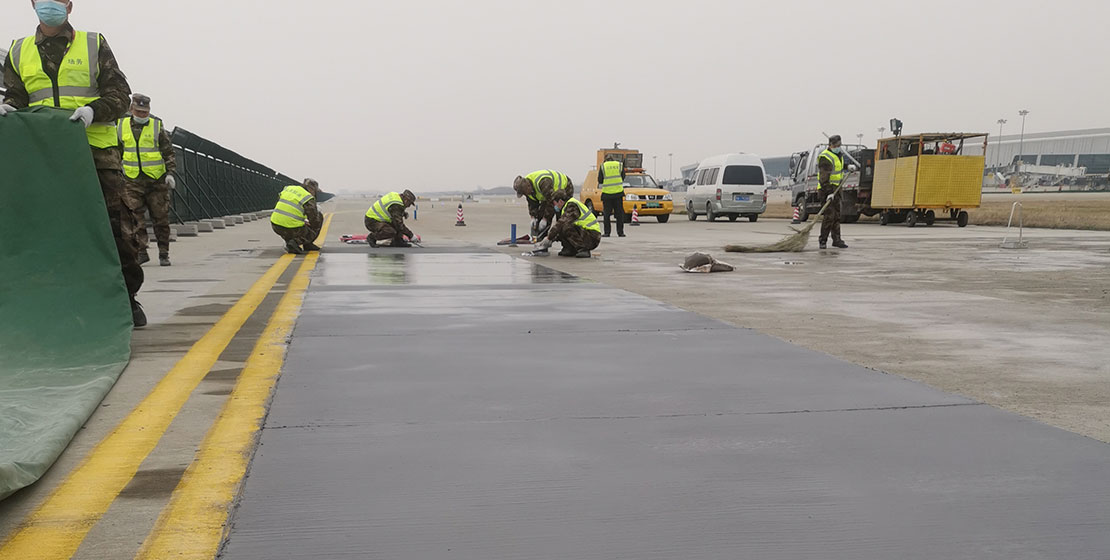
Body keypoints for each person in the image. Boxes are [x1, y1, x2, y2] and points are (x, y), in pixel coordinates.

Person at [2, 0, 146, 326]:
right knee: (48, 229)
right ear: (33, 5)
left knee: (112, 228)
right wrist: (8, 107)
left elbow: (119, 93)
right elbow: (17, 95)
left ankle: (126, 299)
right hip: (43, 154)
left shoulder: (93, 43)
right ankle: (58, 300)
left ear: (69, 6)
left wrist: (95, 110)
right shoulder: (18, 50)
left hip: (94, 150)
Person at [118, 93, 176, 266]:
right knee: (135, 218)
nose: (143, 115)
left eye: (145, 112)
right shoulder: (120, 126)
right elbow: (117, 150)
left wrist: (170, 173)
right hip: (131, 180)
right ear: (131, 109)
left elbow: (168, 152)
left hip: (156, 181)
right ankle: (141, 251)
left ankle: (163, 253)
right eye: (139, 111)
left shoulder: (157, 126)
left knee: (161, 219)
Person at [533, 189, 601, 258]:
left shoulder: (572, 206)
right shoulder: (565, 208)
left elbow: (562, 223)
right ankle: (569, 249)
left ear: (560, 201)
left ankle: (583, 249)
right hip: (584, 233)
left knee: (566, 227)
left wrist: (549, 237)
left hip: (592, 236)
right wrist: (551, 240)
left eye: (554, 203)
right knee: (562, 228)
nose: (554, 206)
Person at [512, 170, 574, 241]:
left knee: (561, 219)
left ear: (528, 186)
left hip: (565, 188)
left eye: (524, 192)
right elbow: (532, 203)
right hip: (548, 195)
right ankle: (540, 240)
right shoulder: (526, 187)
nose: (525, 195)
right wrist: (533, 217)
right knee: (540, 216)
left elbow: (551, 203)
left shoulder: (543, 182)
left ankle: (567, 246)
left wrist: (545, 219)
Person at [271, 179, 323, 254]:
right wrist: (309, 224)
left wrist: (302, 220)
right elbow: (314, 219)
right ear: (311, 189)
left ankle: (289, 241)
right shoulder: (307, 197)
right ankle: (298, 242)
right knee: (319, 217)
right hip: (292, 228)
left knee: (291, 224)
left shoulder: (289, 189)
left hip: (276, 225)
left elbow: (289, 207)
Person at [816, 135, 850, 249]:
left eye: (839, 145)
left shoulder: (838, 155)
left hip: (837, 188)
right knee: (829, 216)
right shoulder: (825, 157)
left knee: (837, 216)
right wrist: (829, 192)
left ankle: (837, 240)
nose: (838, 147)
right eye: (836, 146)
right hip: (826, 189)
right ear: (830, 145)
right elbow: (823, 178)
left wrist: (847, 166)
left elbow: (837, 168)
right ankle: (823, 240)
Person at [597, 154, 627, 237]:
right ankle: (620, 232)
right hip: (618, 193)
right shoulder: (619, 165)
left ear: (605, 160)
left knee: (606, 215)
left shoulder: (603, 166)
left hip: (607, 194)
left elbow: (600, 180)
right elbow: (623, 177)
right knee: (619, 214)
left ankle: (607, 232)